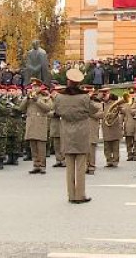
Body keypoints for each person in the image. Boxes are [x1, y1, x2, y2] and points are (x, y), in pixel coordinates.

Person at [53, 68, 94, 204]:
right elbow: (92, 110)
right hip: (81, 132)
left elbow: (57, 111)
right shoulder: (84, 97)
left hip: (66, 132)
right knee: (81, 166)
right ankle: (80, 195)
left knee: (69, 166)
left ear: (68, 81)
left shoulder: (59, 97)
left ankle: (71, 195)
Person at [21, 83, 53, 175]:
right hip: (31, 124)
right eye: (33, 87)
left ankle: (42, 166)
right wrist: (27, 98)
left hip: (40, 124)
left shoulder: (45, 97)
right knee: (33, 146)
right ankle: (36, 165)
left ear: (40, 87)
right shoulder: (29, 97)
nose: (34, 88)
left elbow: (48, 108)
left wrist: (37, 100)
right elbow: (21, 108)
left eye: (36, 87)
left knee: (41, 147)